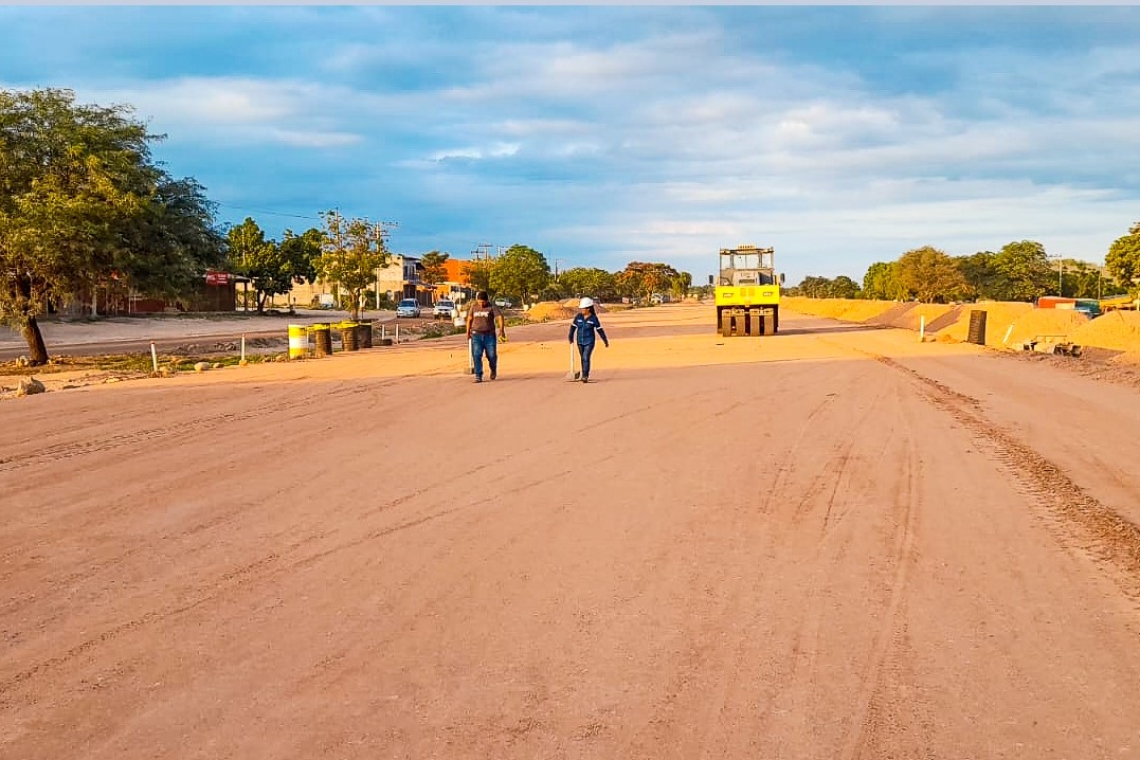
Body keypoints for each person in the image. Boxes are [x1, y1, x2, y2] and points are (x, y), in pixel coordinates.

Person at [466, 291, 506, 382]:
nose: (481, 304)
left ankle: (493, 369)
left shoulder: (492, 307)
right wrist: (467, 332)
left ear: (487, 301)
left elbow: (500, 317)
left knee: (491, 355)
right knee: (476, 354)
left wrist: (501, 330)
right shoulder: (474, 307)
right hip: (476, 335)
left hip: (489, 335)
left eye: (483, 302)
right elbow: (469, 319)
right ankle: (478, 375)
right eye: (479, 302)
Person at [568, 297, 609, 383]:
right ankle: (584, 373)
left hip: (589, 341)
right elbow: (573, 327)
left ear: (589, 309)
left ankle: (585, 376)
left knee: (586, 357)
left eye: (584, 308)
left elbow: (599, 329)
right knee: (582, 358)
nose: (582, 310)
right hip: (580, 341)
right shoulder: (578, 317)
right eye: (581, 308)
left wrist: (605, 340)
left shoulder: (593, 318)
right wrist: (570, 336)